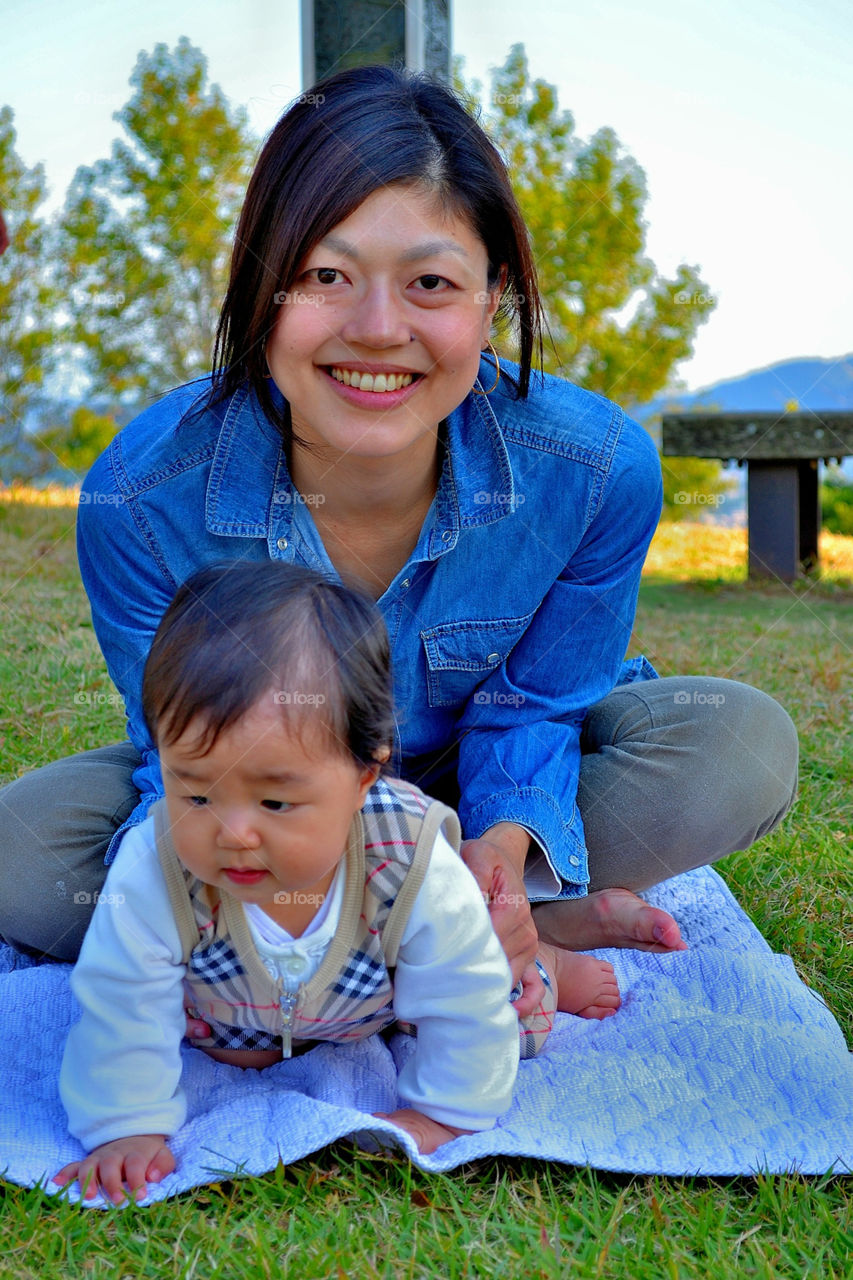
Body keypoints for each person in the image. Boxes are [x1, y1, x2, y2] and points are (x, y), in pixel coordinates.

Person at [0, 64, 796, 1021]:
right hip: (268, 801)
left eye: (429, 282)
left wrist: (497, 857)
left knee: (740, 743)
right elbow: (180, 752)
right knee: (18, 863)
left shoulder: (593, 472)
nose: (377, 331)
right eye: (325, 276)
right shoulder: (138, 498)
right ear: (264, 287)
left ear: (492, 293)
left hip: (490, 778)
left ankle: (408, 937)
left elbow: (535, 706)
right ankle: (506, 942)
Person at [54, 560, 615, 1203]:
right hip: (238, 1003)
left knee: (507, 1008)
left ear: (362, 779)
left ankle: (548, 962)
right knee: (223, 1044)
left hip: (385, 994)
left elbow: (464, 994)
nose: (233, 833)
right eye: (198, 794)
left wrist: (444, 1114)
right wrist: (125, 1125)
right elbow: (119, 995)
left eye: (274, 803)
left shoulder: (407, 859)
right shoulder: (156, 863)